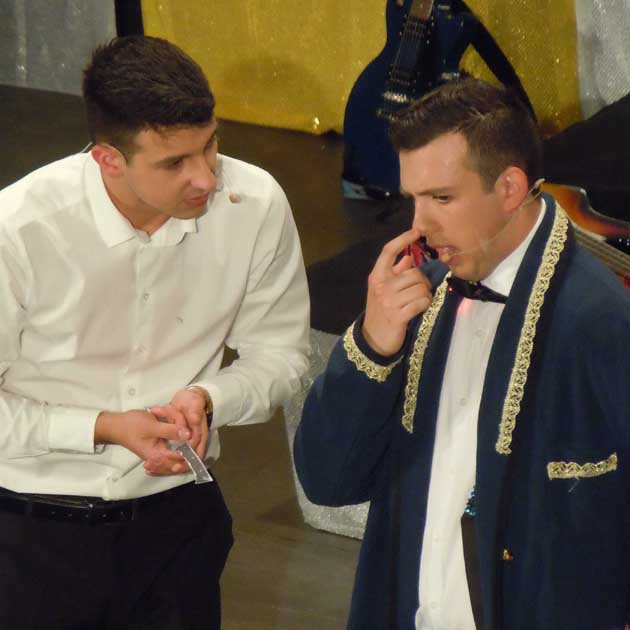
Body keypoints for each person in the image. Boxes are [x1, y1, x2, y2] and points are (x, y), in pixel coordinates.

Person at [294, 77, 630, 630]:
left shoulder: (600, 320)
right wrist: (373, 346)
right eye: (414, 199)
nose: (420, 226)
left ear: (510, 187)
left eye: (442, 198)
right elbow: (327, 480)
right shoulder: (418, 300)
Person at [0, 35, 309, 629]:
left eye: (210, 146)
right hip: (29, 535)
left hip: (179, 525)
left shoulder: (255, 203)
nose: (205, 179)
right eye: (174, 163)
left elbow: (281, 354)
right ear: (108, 159)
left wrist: (209, 399)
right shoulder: (18, 231)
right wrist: (102, 427)